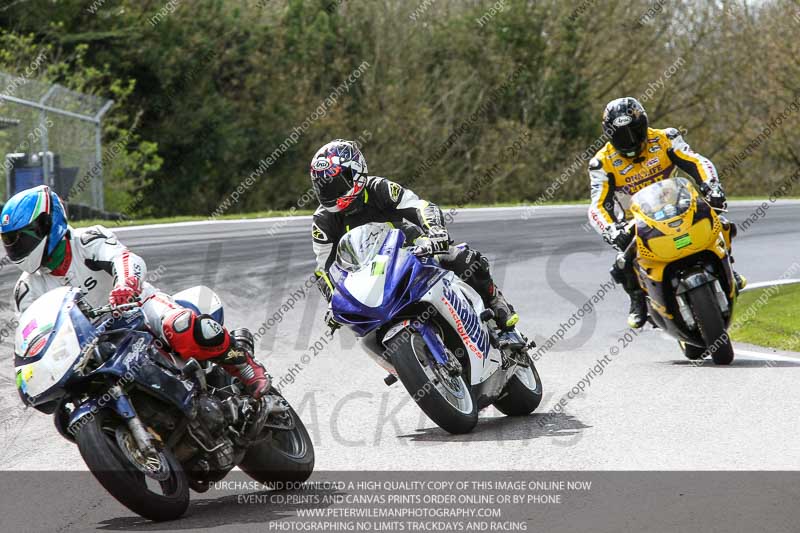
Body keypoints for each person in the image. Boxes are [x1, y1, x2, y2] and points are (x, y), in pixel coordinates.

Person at [1, 185, 269, 398]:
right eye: (8, 240)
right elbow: (30, 337)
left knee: (181, 326)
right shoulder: (26, 290)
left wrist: (125, 285)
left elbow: (126, 259)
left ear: (47, 224)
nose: (15, 247)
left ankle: (244, 366)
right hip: (89, 347)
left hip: (138, 309)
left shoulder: (87, 240)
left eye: (20, 237)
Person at [309, 139, 518, 330]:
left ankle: (496, 303)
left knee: (460, 258)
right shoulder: (323, 220)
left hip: (412, 251)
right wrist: (334, 302)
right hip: (368, 279)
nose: (330, 193)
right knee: (362, 329)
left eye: (336, 184)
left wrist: (435, 231)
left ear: (356, 172)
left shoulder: (379, 188)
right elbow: (323, 270)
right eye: (324, 187)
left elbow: (420, 206)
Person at [587, 97, 745, 328]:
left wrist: (711, 186)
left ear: (644, 125)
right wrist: (611, 230)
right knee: (622, 264)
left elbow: (697, 162)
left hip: (679, 205)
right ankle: (638, 299)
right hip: (638, 221)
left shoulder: (665, 138)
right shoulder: (601, 162)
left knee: (721, 223)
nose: (629, 140)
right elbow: (597, 205)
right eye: (621, 135)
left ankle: (728, 267)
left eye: (634, 132)